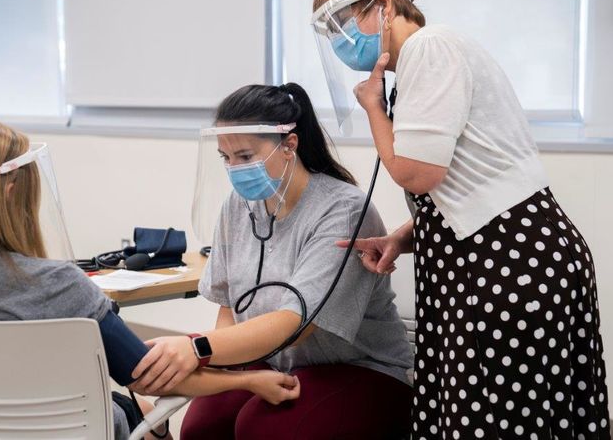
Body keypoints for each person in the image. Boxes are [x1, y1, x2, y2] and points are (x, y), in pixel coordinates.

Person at [312, 0, 611, 439]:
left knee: (498, 420)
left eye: (343, 23)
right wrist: (404, 238)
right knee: (479, 413)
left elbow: (417, 173)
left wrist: (372, 109)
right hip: (488, 259)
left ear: (384, 5)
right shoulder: (419, 62)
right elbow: (468, 182)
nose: (340, 40)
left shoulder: (431, 47)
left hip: (510, 266)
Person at [0, 120, 301, 440]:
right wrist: (246, 380)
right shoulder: (58, 284)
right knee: (143, 414)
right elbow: (149, 376)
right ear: (10, 191)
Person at [130, 84, 415, 439]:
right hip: (277, 362)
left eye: (246, 157)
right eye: (226, 158)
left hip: (362, 369)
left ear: (289, 145)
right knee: (203, 428)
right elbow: (229, 307)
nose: (234, 169)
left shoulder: (343, 209)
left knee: (260, 429)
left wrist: (196, 348)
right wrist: (215, 368)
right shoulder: (237, 207)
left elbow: (294, 324)